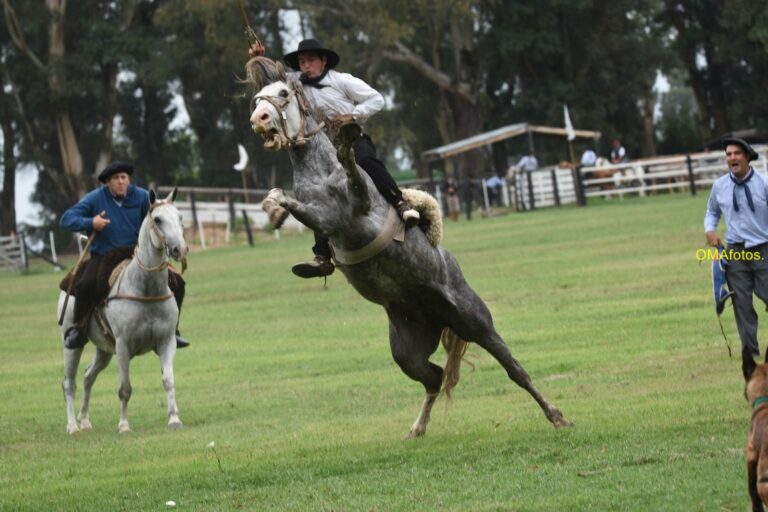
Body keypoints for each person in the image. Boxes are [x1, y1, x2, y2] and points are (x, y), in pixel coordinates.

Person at [249, 38, 419, 278]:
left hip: (351, 139)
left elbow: (377, 100)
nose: (305, 65)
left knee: (367, 161)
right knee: (316, 192)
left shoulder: (343, 81)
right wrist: (258, 57)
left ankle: (401, 203)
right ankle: (322, 256)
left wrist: (352, 115)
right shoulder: (295, 83)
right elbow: (272, 84)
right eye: (302, 61)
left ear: (323, 61)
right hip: (323, 149)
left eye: (310, 60)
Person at [59, 162, 190, 350]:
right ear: (107, 182)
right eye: (116, 178)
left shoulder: (142, 196)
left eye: (124, 178)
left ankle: (173, 332)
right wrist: (91, 221)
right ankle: (79, 328)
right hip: (104, 255)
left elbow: (160, 213)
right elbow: (67, 219)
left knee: (178, 282)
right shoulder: (95, 199)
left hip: (135, 253)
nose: (121, 182)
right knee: (87, 283)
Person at [704, 137, 765, 357]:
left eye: (736, 153)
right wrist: (710, 231)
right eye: (728, 154)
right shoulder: (719, 186)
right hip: (735, 252)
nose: (732, 158)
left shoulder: (764, 183)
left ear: (747, 157)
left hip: (764, 250)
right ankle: (751, 353)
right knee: (741, 304)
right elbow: (712, 212)